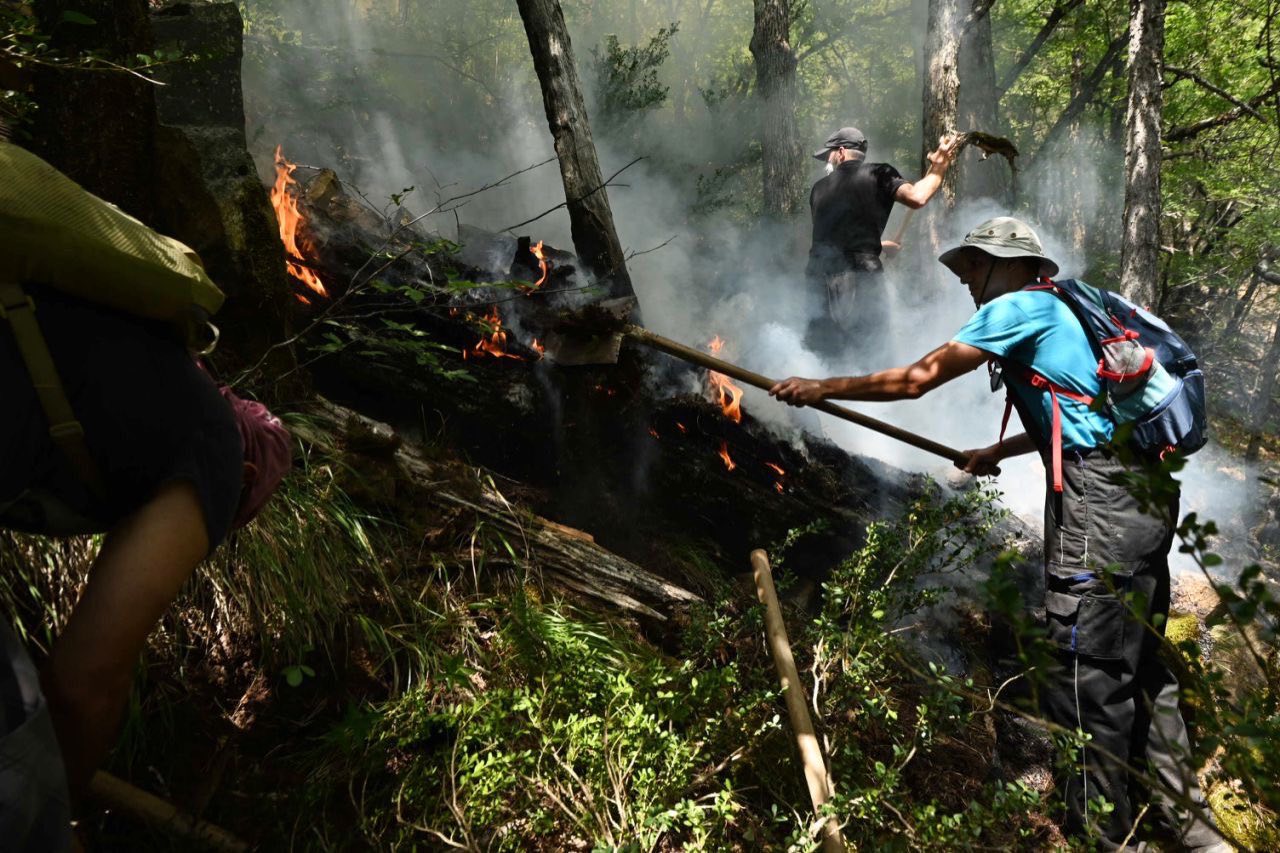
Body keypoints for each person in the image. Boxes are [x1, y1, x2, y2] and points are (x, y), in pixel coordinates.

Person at [769, 216, 1228, 851]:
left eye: (973, 268)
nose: (966, 281)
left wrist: (822, 388)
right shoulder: (1078, 303)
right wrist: (1004, 449)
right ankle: (1196, 833)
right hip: (1144, 499)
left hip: (1098, 508)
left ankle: (1108, 839)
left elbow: (916, 380)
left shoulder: (1016, 308)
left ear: (1012, 265)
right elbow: (1089, 412)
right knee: (1142, 661)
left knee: (1086, 674)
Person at [0, 281, 292, 817]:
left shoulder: (143, 378)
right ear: (247, 477)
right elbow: (80, 684)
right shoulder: (217, 451)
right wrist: (54, 820)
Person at [805, 127, 961, 351]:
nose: (826, 161)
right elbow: (918, 197)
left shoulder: (818, 189)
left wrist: (879, 246)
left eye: (827, 155)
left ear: (840, 152)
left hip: (819, 281)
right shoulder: (879, 174)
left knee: (824, 353)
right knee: (870, 351)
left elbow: (833, 239)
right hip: (860, 276)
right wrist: (939, 166)